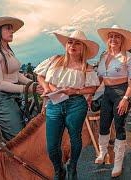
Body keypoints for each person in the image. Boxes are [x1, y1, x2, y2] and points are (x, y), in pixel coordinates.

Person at [34, 30, 99, 180]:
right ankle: (59, 169)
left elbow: (93, 87)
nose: (73, 45)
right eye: (70, 42)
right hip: (54, 102)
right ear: (66, 44)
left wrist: (75, 91)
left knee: (75, 138)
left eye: (77, 43)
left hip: (75, 104)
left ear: (83, 47)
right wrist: (46, 88)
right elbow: (40, 75)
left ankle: (72, 166)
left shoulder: (86, 67)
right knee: (51, 145)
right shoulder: (54, 60)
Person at [0, 16, 43, 141]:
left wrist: (35, 84)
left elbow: (17, 75)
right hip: (1, 97)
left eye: (12, 29)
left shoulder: (8, 50)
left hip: (15, 94)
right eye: (8, 28)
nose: (12, 31)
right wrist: (27, 88)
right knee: (18, 138)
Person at [95, 25, 131, 177]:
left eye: (117, 36)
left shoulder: (128, 56)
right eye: (111, 36)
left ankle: (118, 163)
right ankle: (102, 152)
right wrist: (90, 95)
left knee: (119, 126)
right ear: (108, 39)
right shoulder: (103, 56)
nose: (113, 39)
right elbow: (99, 78)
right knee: (104, 124)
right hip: (107, 93)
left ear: (122, 40)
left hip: (121, 93)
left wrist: (126, 98)